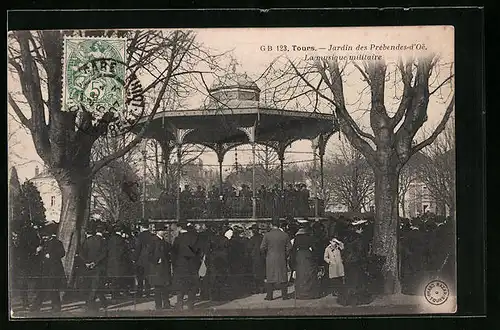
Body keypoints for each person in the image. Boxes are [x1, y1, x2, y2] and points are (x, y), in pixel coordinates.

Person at [29, 223, 66, 312]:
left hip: (54, 269)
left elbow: (62, 253)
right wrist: (37, 252)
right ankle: (36, 306)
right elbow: (38, 257)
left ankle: (56, 307)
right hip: (44, 270)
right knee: (42, 288)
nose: (44, 238)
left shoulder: (57, 243)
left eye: (45, 236)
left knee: (54, 289)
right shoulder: (43, 244)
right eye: (43, 236)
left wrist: (51, 255)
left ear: (50, 235)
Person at [171, 220, 201, 310]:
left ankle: (180, 303)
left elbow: (173, 254)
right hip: (192, 265)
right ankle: (190, 304)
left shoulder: (177, 239)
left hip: (180, 265)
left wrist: (174, 265)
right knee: (192, 285)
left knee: (180, 285)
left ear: (180, 228)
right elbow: (199, 252)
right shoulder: (195, 237)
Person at [260, 217, 292, 301]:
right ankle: (284, 296)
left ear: (271, 225)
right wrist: (285, 255)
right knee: (283, 276)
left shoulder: (267, 235)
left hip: (270, 258)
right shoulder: (285, 235)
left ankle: (269, 296)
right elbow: (289, 248)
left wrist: (266, 256)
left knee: (270, 277)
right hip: (281, 257)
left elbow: (262, 248)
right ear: (279, 225)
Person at [80, 221, 109, 311]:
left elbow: (82, 253)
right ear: (103, 231)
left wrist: (86, 262)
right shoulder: (104, 241)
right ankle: (93, 303)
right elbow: (104, 254)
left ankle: (96, 303)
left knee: (91, 284)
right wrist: (95, 262)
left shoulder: (88, 240)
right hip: (99, 266)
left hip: (88, 266)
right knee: (96, 285)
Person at [291, 225, 320, 299]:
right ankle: (310, 293)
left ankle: (300, 293)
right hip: (308, 255)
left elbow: (294, 249)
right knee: (309, 275)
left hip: (299, 256)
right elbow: (314, 248)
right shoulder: (310, 237)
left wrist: (292, 262)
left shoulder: (296, 238)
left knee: (300, 274)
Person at [148, 224, 173, 310]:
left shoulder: (163, 241)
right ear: (158, 231)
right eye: (163, 230)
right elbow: (149, 254)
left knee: (165, 286)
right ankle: (158, 305)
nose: (164, 232)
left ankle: (166, 304)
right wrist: (156, 260)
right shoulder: (153, 241)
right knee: (158, 287)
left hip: (164, 267)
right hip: (157, 268)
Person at [106, 224, 129, 301]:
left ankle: (114, 296)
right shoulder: (122, 240)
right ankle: (117, 296)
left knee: (113, 281)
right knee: (119, 280)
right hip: (120, 263)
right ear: (121, 231)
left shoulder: (110, 239)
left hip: (111, 262)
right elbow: (124, 252)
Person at [133, 220, 154, 297]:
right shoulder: (151, 235)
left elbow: (138, 248)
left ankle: (140, 292)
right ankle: (148, 292)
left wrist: (134, 258)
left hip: (140, 259)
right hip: (149, 259)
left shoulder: (140, 236)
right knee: (147, 277)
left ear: (141, 227)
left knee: (140, 277)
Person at [246, 224, 266, 294]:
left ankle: (257, 288)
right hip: (262, 257)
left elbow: (249, 248)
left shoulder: (252, 239)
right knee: (262, 272)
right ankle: (262, 288)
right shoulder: (262, 237)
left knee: (255, 273)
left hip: (254, 258)